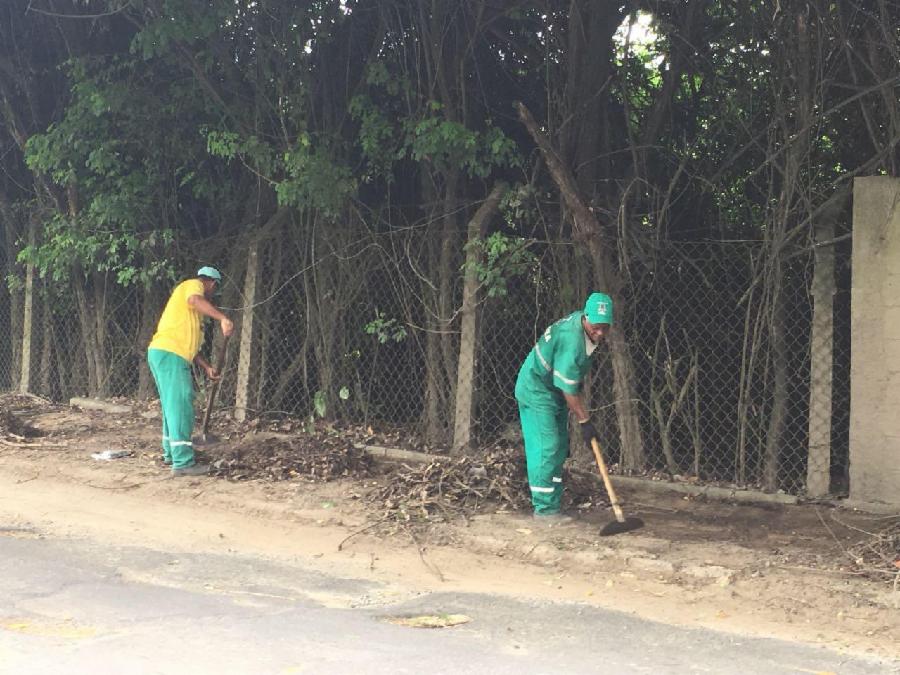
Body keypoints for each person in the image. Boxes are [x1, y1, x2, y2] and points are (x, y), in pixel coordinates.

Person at [514, 292, 613, 523]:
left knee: (559, 448)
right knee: (546, 446)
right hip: (536, 390)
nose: (600, 333)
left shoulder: (584, 329)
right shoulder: (572, 341)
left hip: (552, 391)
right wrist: (585, 421)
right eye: (596, 327)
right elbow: (569, 389)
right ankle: (545, 511)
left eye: (605, 328)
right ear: (586, 317)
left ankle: (553, 502)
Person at [147, 266, 234, 477]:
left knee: (171, 405)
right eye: (214, 288)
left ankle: (172, 453)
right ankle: (183, 461)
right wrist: (222, 318)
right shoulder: (193, 286)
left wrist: (207, 368)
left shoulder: (192, 318)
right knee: (180, 405)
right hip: (170, 354)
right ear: (211, 283)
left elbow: (191, 349)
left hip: (164, 352)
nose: (212, 293)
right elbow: (195, 299)